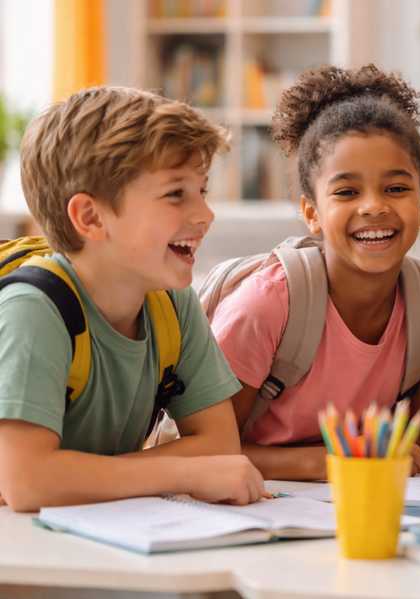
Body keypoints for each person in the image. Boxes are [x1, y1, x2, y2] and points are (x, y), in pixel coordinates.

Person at [0, 86, 266, 512]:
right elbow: (28, 484)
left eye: (203, 190)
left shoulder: (169, 303)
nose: (205, 214)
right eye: (176, 194)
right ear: (90, 217)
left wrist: (68, 474)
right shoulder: (35, 309)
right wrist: (184, 471)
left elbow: (219, 445)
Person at [210, 65, 420, 481]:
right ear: (311, 213)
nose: (373, 206)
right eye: (346, 192)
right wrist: (328, 464)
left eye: (396, 188)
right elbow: (208, 451)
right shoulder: (265, 305)